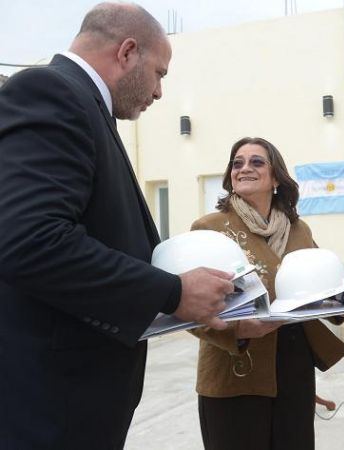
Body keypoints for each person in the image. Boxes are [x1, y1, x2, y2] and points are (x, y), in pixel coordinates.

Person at [0, 3, 234, 448]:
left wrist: (187, 304)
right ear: (128, 52)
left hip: (74, 404)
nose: (160, 91)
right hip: (51, 410)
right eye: (160, 73)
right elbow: (29, 241)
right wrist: (173, 291)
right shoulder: (50, 93)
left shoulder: (81, 105)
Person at [188, 137, 344, 450]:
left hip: (294, 368)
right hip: (235, 370)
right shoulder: (210, 229)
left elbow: (318, 284)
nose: (244, 168)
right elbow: (187, 309)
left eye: (256, 162)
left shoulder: (298, 229)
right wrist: (237, 331)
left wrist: (339, 298)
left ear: (276, 177)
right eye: (237, 163)